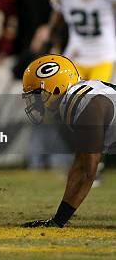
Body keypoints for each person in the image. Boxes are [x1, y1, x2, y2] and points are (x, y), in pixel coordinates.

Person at [21, 54, 115, 227]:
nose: (35, 101)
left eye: (38, 94)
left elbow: (88, 171)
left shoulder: (84, 104)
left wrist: (58, 221)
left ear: (57, 88)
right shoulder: (81, 97)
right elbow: (81, 164)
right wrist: (58, 221)